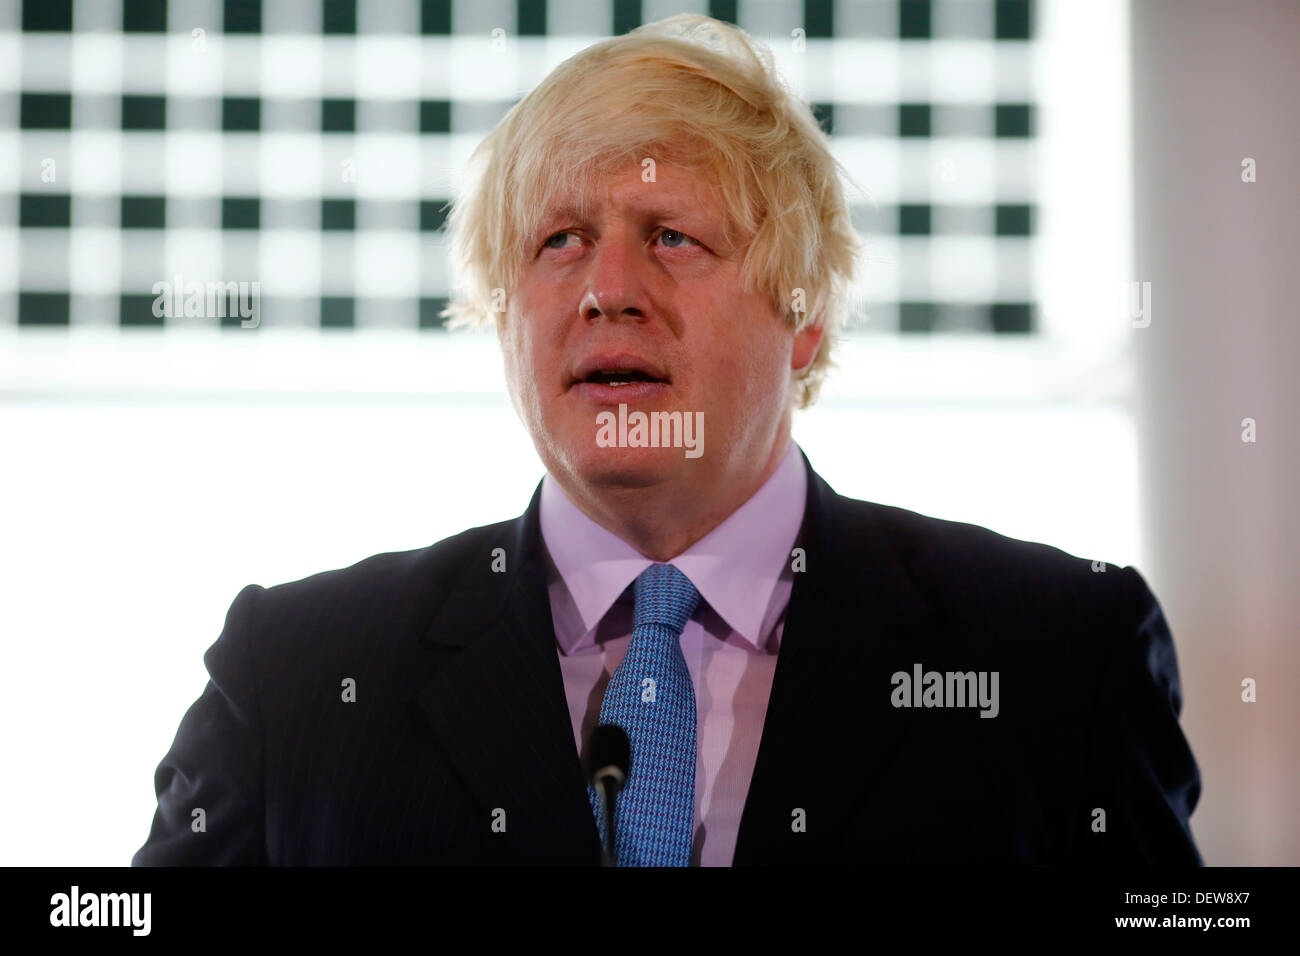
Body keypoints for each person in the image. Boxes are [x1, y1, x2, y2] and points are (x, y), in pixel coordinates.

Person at [132, 15, 1202, 866]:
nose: (605, 290)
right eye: (559, 241)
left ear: (805, 312)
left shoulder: (1058, 655)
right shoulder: (299, 672)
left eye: (672, 237)